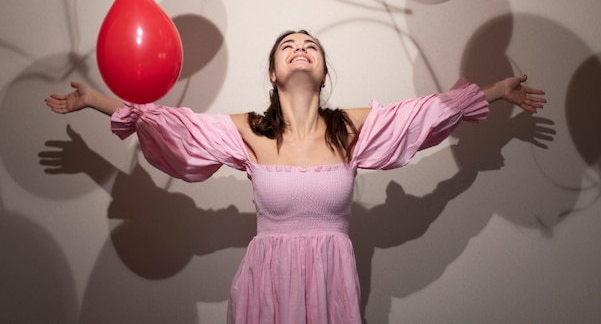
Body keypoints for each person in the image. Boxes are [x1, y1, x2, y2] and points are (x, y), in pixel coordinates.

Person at [45, 29, 546, 324]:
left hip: (332, 282)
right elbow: (168, 124)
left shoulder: (349, 127)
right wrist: (95, 101)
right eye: (288, 44)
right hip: (267, 283)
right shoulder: (249, 131)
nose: (300, 47)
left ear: (324, 73)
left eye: (311, 45)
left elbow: (425, 114)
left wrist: (497, 91)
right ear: (272, 73)